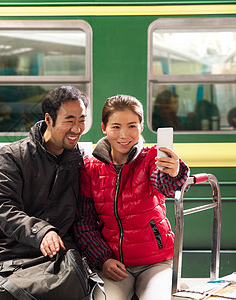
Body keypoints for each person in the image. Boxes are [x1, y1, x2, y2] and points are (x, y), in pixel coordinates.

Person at [74, 95, 190, 300]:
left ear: (141, 127)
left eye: (131, 126)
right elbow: (84, 222)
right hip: (114, 265)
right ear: (104, 127)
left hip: (157, 262)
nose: (124, 135)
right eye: (116, 127)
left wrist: (175, 172)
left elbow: (166, 185)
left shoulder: (151, 158)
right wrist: (102, 260)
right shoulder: (89, 169)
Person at [0, 85, 88, 261]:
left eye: (82, 120)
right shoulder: (13, 155)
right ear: (48, 119)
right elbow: (4, 209)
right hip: (12, 251)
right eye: (69, 120)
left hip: (60, 252)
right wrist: (42, 231)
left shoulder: (80, 160)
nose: (77, 129)